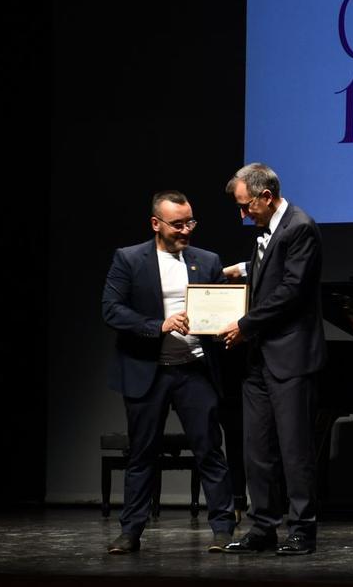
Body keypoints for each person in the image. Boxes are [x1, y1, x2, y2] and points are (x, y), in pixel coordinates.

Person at [101, 190, 236, 554]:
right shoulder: (129, 259)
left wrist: (230, 320)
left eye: (190, 222)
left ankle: (223, 529)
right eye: (177, 224)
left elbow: (221, 302)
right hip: (149, 371)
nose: (185, 230)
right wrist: (157, 325)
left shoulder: (206, 260)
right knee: (142, 455)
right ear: (155, 224)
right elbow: (111, 310)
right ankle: (130, 532)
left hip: (194, 370)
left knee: (210, 451)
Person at [219, 163, 326, 555]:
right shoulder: (269, 229)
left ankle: (302, 530)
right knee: (257, 448)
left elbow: (292, 290)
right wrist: (244, 270)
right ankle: (262, 527)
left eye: (246, 206)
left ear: (266, 196)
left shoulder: (300, 226)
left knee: (294, 450)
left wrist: (244, 324)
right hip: (260, 359)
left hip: (291, 358)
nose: (243, 214)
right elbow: (271, 269)